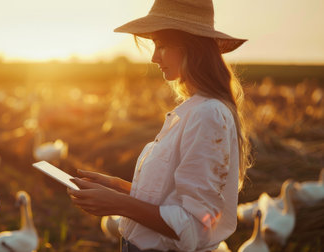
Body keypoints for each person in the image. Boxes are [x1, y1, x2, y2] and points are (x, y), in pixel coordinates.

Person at [67, 0, 252, 251]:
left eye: (162, 45)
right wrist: (119, 189)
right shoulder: (192, 110)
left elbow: (197, 226)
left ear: (191, 47)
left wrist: (119, 205)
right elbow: (174, 200)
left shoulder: (207, 114)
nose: (154, 57)